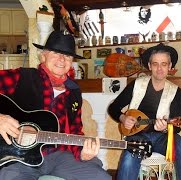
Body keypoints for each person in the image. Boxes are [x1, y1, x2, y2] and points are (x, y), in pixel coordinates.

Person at [0, 31, 111, 180]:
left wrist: (82, 153)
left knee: (100, 177)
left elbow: (75, 131)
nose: (62, 59)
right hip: (17, 159)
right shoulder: (22, 77)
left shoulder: (74, 91)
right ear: (43, 55)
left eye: (67, 56)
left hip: (58, 156)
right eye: (56, 53)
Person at [108, 43, 181, 180]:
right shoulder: (136, 85)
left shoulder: (176, 92)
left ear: (170, 66)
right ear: (149, 66)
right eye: (155, 64)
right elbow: (113, 108)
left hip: (163, 138)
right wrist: (123, 118)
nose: (159, 69)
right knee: (129, 159)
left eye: (164, 64)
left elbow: (176, 127)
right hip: (137, 135)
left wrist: (166, 127)